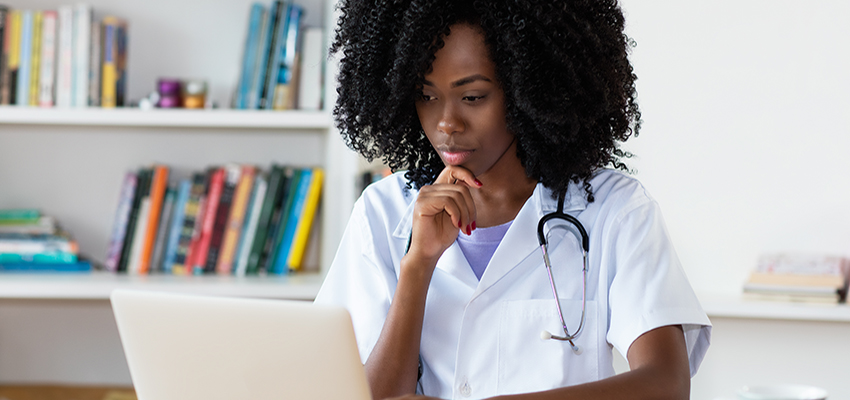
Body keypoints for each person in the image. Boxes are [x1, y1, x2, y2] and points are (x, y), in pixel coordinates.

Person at [314, 1, 711, 399]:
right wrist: (417, 267)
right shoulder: (381, 212)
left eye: (472, 96)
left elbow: (665, 383)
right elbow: (350, 393)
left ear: (530, 89)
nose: (446, 123)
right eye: (426, 96)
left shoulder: (614, 210)